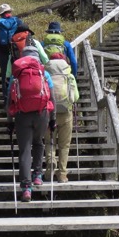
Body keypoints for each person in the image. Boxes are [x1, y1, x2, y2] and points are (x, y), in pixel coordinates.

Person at [7, 46, 55, 202]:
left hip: (22, 116)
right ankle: (37, 176)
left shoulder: (16, 76)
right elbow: (52, 99)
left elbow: (10, 101)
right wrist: (52, 119)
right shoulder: (44, 74)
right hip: (42, 114)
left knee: (25, 150)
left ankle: (26, 188)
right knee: (39, 143)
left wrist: (10, 122)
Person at [45, 52, 80, 183]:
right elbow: (75, 97)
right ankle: (62, 174)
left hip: (48, 112)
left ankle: (50, 168)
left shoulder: (46, 75)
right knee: (64, 145)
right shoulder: (69, 75)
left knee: (49, 142)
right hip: (66, 113)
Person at [0, 3, 19, 101]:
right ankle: (17, 98)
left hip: (2, 51)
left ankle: (6, 100)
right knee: (17, 73)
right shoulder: (17, 21)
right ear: (10, 12)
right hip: (15, 51)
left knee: (4, 76)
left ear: (0, 14)